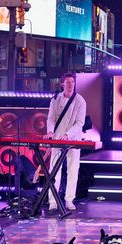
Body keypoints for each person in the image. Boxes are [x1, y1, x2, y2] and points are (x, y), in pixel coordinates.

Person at [45, 73, 88, 212]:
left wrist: (68, 135)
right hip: (57, 139)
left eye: (72, 82)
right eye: (68, 82)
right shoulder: (55, 99)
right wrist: (51, 131)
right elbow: (50, 118)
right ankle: (52, 201)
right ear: (62, 84)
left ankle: (69, 200)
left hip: (73, 139)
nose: (70, 84)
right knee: (54, 170)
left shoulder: (80, 100)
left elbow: (80, 123)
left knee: (72, 169)